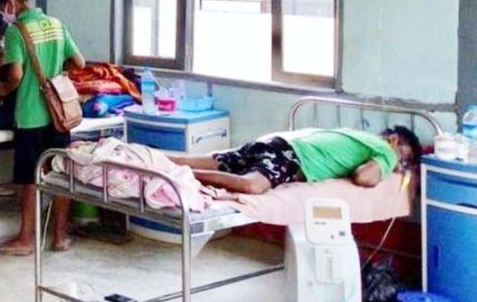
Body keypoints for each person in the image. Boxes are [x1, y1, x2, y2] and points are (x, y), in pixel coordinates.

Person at [0, 0, 85, 256]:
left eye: (3, 9)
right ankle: (60, 237)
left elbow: (16, 74)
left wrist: (4, 89)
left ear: (11, 4)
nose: (5, 14)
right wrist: (55, 72)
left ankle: (26, 239)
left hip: (31, 115)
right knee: (59, 173)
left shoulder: (17, 32)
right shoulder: (56, 24)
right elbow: (79, 62)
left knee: (30, 179)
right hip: (59, 115)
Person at [173, 126, 423, 195]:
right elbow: (364, 177)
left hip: (276, 143)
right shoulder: (387, 150)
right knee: (253, 186)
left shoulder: (361, 138)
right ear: (394, 139)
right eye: (404, 157)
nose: (400, 164)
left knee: (202, 160)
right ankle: (185, 175)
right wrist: (390, 166)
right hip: (291, 157)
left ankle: (156, 160)